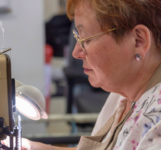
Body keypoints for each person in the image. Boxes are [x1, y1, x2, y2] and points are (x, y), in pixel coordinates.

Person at [10, 0, 161, 149]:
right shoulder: (122, 95)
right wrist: (30, 147)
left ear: (138, 41)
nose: (76, 52)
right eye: (77, 37)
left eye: (86, 39)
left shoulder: (157, 125)